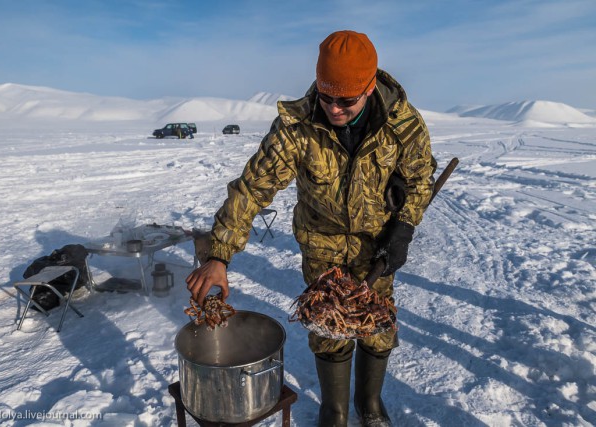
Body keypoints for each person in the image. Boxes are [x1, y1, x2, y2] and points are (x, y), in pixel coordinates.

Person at [186, 30, 435, 427]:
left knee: (375, 323)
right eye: (326, 96)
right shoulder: (296, 127)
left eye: (346, 100)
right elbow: (252, 188)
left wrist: (403, 227)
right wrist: (219, 254)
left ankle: (369, 403)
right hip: (321, 246)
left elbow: (422, 178)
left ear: (369, 88)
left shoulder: (401, 124)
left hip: (378, 245)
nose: (334, 108)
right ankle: (334, 410)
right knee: (328, 327)